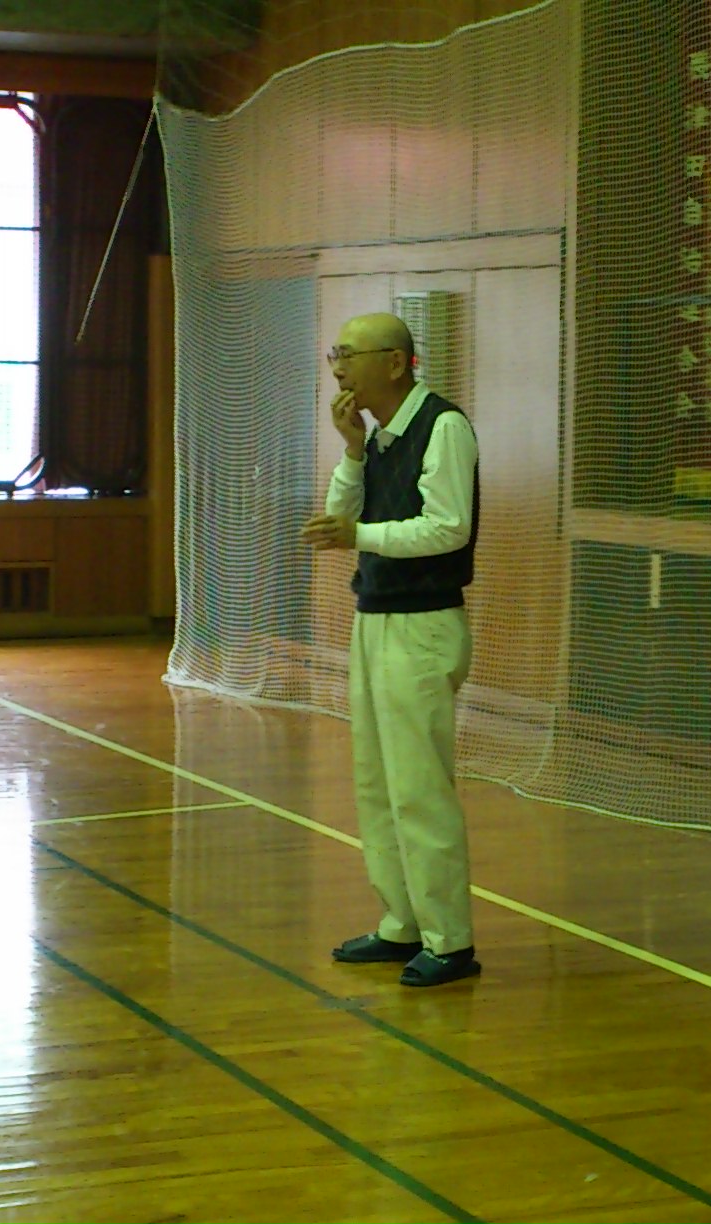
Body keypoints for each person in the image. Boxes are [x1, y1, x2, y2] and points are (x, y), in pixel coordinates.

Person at [300, 312, 481, 988]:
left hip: (423, 624)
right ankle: (402, 922)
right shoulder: (376, 437)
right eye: (335, 354)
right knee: (377, 781)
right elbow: (339, 519)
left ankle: (450, 941)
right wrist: (351, 450)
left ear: (397, 362)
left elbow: (447, 527)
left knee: (419, 788)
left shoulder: (444, 426)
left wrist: (361, 537)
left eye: (349, 354)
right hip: (374, 618)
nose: (339, 367)